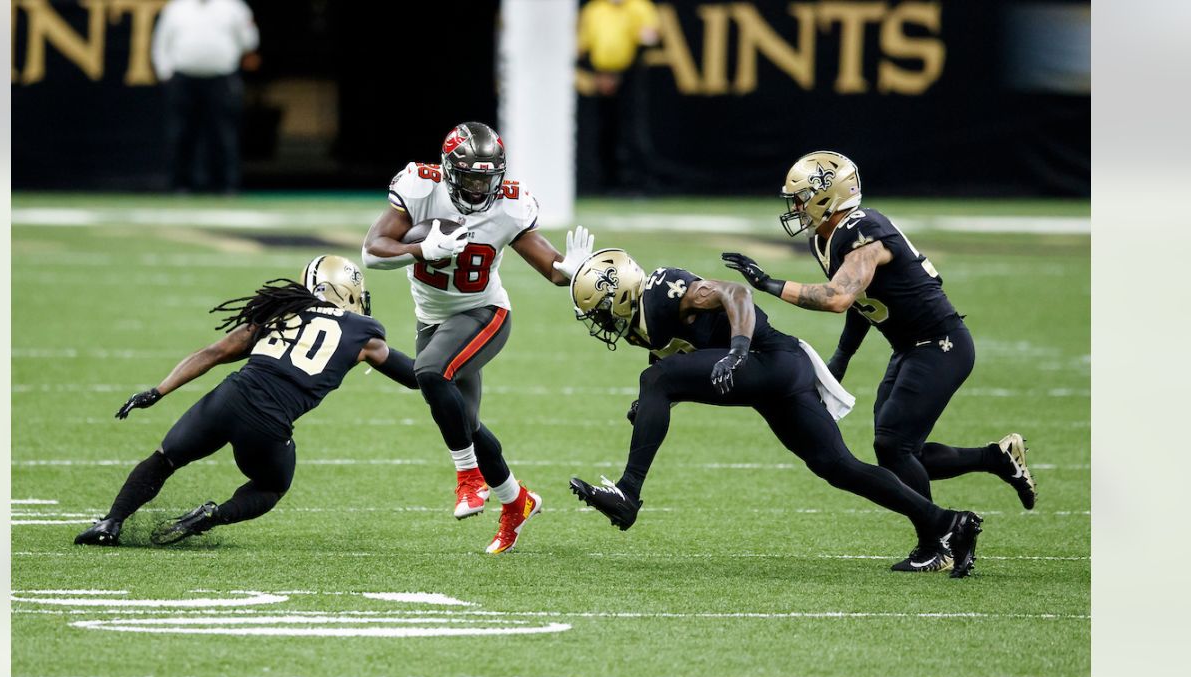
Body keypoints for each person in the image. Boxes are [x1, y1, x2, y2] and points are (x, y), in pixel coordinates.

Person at [565, 248, 984, 578]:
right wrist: (656, 405)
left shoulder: (664, 290)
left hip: (770, 359)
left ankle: (628, 492)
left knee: (655, 380)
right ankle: (948, 523)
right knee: (838, 466)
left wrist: (738, 350)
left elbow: (737, 293)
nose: (600, 322)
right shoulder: (643, 323)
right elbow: (680, 367)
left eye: (600, 310)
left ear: (618, 294)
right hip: (770, 378)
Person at [722, 150, 1036, 572]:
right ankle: (995, 459)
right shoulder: (828, 235)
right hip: (910, 346)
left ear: (825, 196)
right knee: (896, 452)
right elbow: (864, 305)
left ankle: (936, 544)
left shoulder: (862, 231)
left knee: (894, 444)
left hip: (940, 343)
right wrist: (841, 358)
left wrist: (769, 284)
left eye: (799, 198)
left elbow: (838, 298)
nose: (794, 208)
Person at [362, 121, 595, 554]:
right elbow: (371, 251)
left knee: (430, 371)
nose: (478, 187)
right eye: (470, 177)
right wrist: (418, 250)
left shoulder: (509, 205)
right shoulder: (420, 186)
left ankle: (468, 478)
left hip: (484, 312)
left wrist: (573, 270)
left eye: (487, 178)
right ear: (450, 170)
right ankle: (516, 501)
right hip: (432, 319)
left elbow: (550, 267)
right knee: (464, 421)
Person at [74, 256, 417, 546]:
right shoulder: (364, 337)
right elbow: (417, 377)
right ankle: (212, 515)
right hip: (269, 421)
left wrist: (158, 391)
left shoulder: (281, 310)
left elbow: (214, 353)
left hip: (229, 396)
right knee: (271, 485)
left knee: (165, 458)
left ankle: (111, 523)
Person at [151, 0, 259, 193]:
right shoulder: (176, 8)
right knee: (181, 133)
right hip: (184, 80)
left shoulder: (234, 7)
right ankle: (180, 185)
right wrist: (166, 74)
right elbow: (160, 43)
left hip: (221, 78)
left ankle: (226, 185)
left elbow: (249, 41)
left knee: (223, 133)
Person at [577, 0, 660, 192]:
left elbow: (649, 40)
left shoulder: (640, 7)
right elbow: (583, 45)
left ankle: (637, 181)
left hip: (631, 76)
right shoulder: (594, 9)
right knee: (604, 128)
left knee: (632, 127)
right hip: (600, 75)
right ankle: (605, 180)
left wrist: (620, 76)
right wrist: (598, 75)